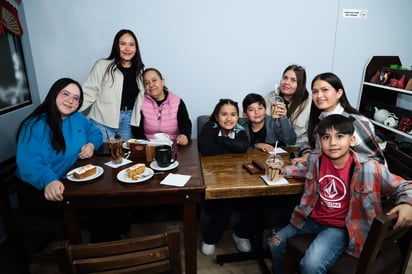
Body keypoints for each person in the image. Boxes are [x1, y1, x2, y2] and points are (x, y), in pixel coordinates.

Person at [269, 114, 412, 274]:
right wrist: (286, 171)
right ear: (320, 141)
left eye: (340, 136)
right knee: (275, 243)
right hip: (309, 218)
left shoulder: (370, 168)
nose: (333, 143)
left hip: (339, 228)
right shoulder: (315, 159)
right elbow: (305, 170)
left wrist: (408, 204)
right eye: (326, 137)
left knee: (310, 266)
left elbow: (406, 186)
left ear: (351, 141)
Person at [15, 78, 103, 217]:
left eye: (76, 98)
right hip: (43, 189)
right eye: (65, 94)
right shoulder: (35, 125)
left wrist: (91, 144)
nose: (70, 100)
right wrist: (49, 181)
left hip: (69, 179)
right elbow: (31, 164)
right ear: (54, 94)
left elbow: (95, 132)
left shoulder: (76, 117)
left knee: (104, 199)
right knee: (99, 208)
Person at [198, 99, 254, 255]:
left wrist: (221, 140)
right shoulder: (210, 126)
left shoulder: (241, 128)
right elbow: (206, 149)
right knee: (227, 202)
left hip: (238, 175)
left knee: (253, 199)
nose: (229, 119)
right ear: (217, 117)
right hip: (214, 176)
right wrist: (231, 146)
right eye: (224, 114)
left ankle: (241, 235)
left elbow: (242, 147)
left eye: (233, 115)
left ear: (238, 117)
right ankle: (210, 238)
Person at [293, 72, 385, 165]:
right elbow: (306, 138)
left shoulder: (355, 122)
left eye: (325, 90)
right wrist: (307, 153)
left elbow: (377, 162)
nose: (319, 95)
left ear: (339, 93)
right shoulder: (321, 117)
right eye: (315, 91)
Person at [80, 29, 145, 141]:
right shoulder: (102, 65)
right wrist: (68, 111)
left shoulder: (139, 70)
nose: (127, 49)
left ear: (136, 48)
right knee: (102, 156)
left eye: (131, 45)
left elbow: (143, 97)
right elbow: (88, 92)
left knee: (126, 155)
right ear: (116, 46)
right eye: (123, 44)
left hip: (127, 122)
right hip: (102, 120)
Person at [133, 68, 192, 145]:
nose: (151, 85)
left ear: (162, 82)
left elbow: (185, 123)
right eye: (146, 83)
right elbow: (136, 129)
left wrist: (184, 135)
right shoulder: (140, 102)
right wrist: (146, 145)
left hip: (173, 144)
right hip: (148, 145)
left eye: (154, 80)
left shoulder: (177, 101)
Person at [266, 64, 311, 148]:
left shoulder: (309, 103)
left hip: (297, 149)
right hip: (273, 148)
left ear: (300, 84)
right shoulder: (270, 98)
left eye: (293, 80)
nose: (286, 82)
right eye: (285, 78)